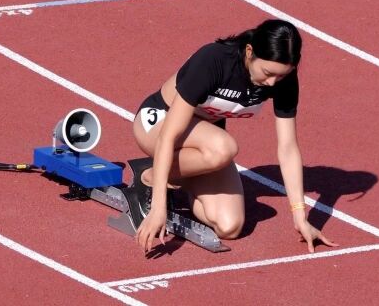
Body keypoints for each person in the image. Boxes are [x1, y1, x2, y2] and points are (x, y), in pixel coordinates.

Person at [125, 19, 338, 254]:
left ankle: (182, 174)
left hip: (204, 143)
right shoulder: (214, 60)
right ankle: (150, 177)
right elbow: (168, 136)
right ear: (250, 52)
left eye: (280, 77)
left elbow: (287, 147)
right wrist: (158, 207)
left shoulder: (283, 79)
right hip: (157, 124)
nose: (271, 83)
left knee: (230, 226)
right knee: (224, 148)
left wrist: (300, 216)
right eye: (267, 73)